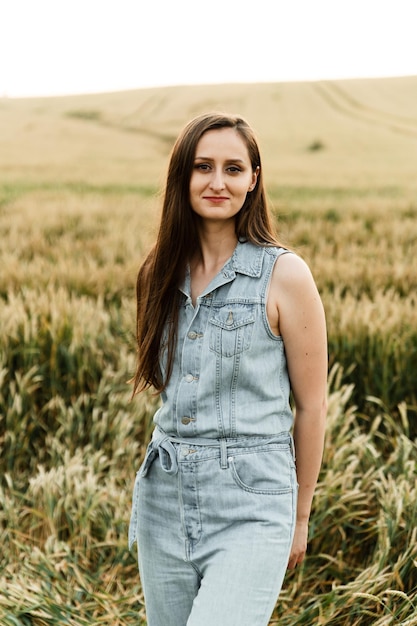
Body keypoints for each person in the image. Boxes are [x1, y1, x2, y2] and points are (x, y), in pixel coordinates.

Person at [128, 112, 327, 626]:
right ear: (182, 177)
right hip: (163, 499)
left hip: (253, 505)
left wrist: (299, 518)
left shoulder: (284, 275)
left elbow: (311, 406)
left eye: (234, 169)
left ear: (253, 180)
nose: (218, 182)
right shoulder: (158, 271)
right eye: (203, 167)